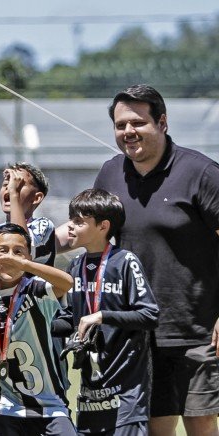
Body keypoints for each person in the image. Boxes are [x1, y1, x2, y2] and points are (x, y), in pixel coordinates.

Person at [86, 84, 219, 436]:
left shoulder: (201, 173)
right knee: (153, 431)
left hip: (198, 332)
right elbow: (86, 235)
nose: (128, 132)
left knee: (202, 428)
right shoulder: (110, 174)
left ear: (162, 122)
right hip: (139, 331)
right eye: (120, 125)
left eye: (138, 122)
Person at [64, 188, 159, 435]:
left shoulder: (126, 261)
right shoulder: (75, 266)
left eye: (79, 221)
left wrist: (103, 315)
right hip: (89, 395)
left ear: (103, 226)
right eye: (71, 220)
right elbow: (68, 318)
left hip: (126, 397)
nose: (70, 227)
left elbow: (149, 315)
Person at [0, 224, 75, 436]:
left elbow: (66, 283)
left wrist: (23, 265)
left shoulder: (35, 288)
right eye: (2, 251)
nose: (10, 258)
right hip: (5, 407)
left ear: (29, 258)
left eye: (19, 252)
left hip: (51, 407)